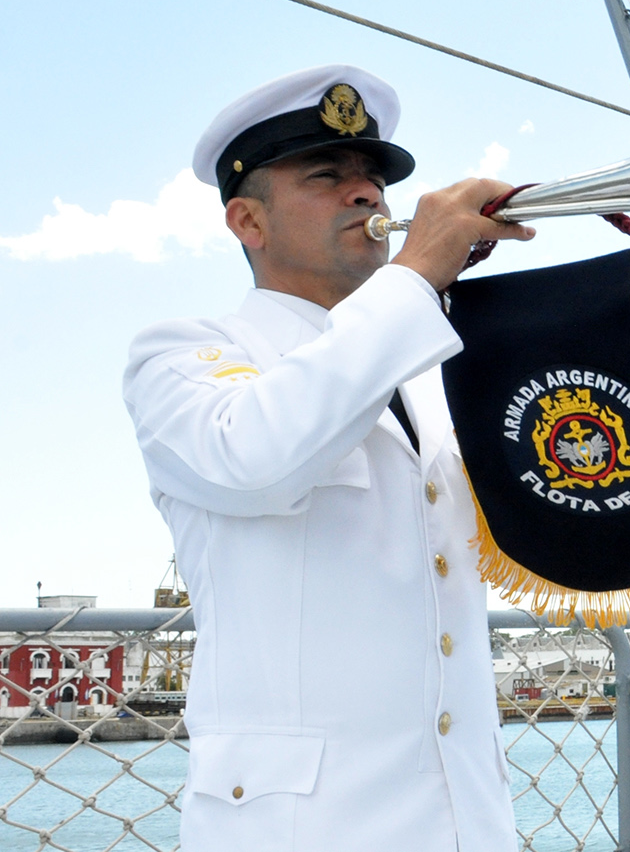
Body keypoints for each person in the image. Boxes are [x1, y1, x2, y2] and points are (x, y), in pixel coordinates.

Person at [123, 65, 528, 851]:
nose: (367, 194)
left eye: (373, 177)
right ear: (248, 222)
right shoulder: (184, 353)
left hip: (466, 817)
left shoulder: (424, 372)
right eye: (327, 175)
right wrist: (412, 283)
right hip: (304, 825)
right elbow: (255, 458)